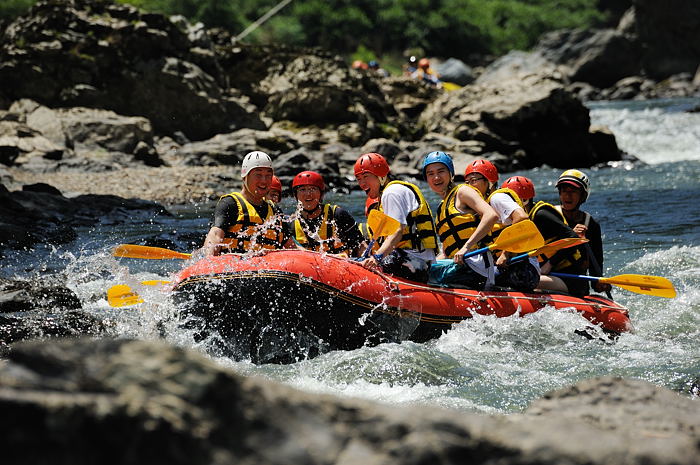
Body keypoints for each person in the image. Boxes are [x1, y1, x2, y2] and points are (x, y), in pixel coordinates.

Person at [354, 152, 438, 282]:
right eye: (359, 179)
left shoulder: (391, 192)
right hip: (414, 259)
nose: (362, 183)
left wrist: (377, 258)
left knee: (363, 271)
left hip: (415, 262)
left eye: (366, 176)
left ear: (381, 176)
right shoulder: (393, 190)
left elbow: (397, 231)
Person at [501, 175, 588, 296]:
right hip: (550, 275)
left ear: (524, 200)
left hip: (570, 277)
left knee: (519, 280)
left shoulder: (541, 215)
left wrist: (549, 264)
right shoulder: (517, 221)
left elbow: (573, 238)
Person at [423, 152, 499, 288]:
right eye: (430, 173)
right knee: (421, 270)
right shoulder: (441, 209)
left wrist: (466, 247)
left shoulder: (463, 192)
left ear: (451, 173)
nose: (436, 177)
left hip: (477, 266)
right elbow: (448, 251)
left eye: (441, 171)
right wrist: (429, 263)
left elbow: (491, 215)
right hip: (458, 265)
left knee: (424, 275)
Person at [463, 159, 539, 291]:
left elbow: (521, 218)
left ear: (489, 181)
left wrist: (505, 254)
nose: (470, 186)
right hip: (511, 267)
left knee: (474, 279)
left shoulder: (496, 198)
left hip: (523, 269)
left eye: (474, 180)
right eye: (467, 182)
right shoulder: (484, 206)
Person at [202, 151, 289, 256]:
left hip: (268, 270)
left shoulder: (275, 210)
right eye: (258, 175)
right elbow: (215, 235)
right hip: (235, 268)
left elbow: (291, 246)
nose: (264, 181)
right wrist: (209, 258)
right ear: (245, 176)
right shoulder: (230, 204)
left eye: (268, 175)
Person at [555, 169, 612, 294]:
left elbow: (596, 264)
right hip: (549, 276)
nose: (567, 196)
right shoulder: (549, 216)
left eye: (573, 191)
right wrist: (572, 237)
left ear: (583, 196)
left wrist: (599, 283)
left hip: (577, 284)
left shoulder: (591, 225)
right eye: (564, 191)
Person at [290, 170, 365, 257]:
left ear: (321, 194)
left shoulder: (338, 215)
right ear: (296, 195)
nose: (308, 194)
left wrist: (366, 258)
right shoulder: (291, 223)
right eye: (302, 190)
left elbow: (360, 245)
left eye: (313, 189)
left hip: (342, 264)